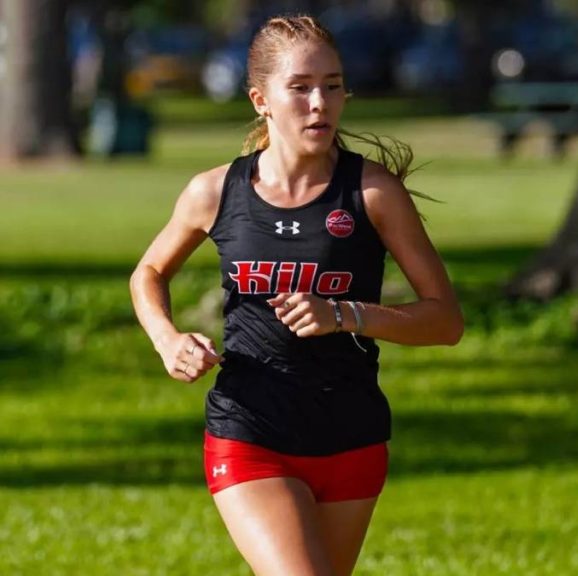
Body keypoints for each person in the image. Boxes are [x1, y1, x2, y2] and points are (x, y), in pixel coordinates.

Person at [129, 14, 463, 575]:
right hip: (249, 430)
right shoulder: (214, 191)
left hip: (351, 434)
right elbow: (149, 272)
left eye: (333, 86)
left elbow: (445, 322)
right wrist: (167, 339)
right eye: (301, 88)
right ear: (261, 100)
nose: (319, 104)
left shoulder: (373, 192)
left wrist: (344, 314)